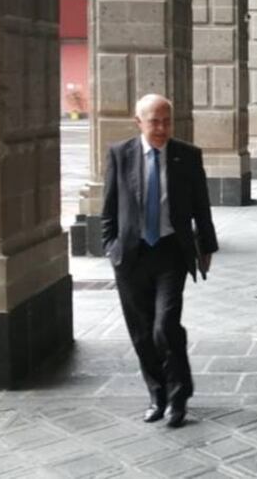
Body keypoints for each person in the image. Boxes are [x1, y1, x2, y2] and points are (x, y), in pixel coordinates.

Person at [101, 94, 218, 428]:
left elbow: (201, 205)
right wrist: (111, 248)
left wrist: (206, 246)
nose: (162, 128)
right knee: (141, 333)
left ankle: (179, 396)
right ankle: (157, 395)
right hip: (131, 256)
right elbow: (109, 207)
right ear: (138, 122)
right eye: (154, 122)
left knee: (165, 325)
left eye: (167, 121)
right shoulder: (120, 154)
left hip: (170, 251)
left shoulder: (187, 155)